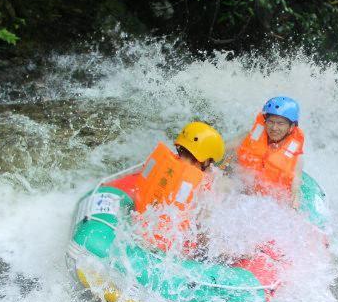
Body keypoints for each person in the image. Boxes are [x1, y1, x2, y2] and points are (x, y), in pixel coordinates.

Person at [107, 121, 224, 253]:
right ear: (206, 160)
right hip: (163, 249)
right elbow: (205, 224)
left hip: (135, 226)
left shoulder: (162, 162)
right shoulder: (200, 184)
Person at [229, 96, 305, 209]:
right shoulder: (251, 136)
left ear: (291, 127)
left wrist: (294, 202)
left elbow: (295, 185)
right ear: (265, 122)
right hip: (240, 189)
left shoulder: (295, 156)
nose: (274, 128)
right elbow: (225, 148)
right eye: (271, 122)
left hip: (267, 201)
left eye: (280, 123)